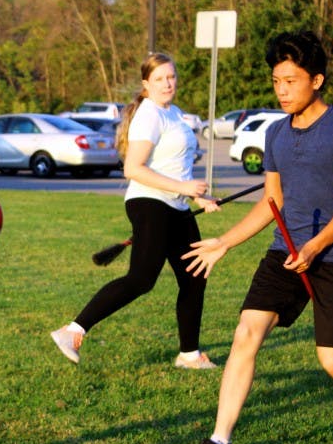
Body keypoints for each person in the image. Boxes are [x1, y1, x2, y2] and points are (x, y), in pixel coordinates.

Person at [174, 30, 333, 444]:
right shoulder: (276, 133)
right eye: (276, 80)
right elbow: (270, 202)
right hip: (284, 253)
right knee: (246, 334)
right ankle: (220, 442)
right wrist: (224, 242)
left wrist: (315, 246)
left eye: (290, 80)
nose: (281, 89)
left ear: (317, 80)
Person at [50, 52, 220, 368]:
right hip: (150, 203)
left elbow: (176, 167)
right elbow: (133, 168)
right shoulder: (150, 114)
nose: (168, 83)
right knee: (142, 279)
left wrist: (198, 198)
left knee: (194, 277)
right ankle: (72, 330)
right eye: (159, 79)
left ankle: (189, 355)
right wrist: (185, 189)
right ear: (146, 84)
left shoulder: (174, 113)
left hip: (174, 205)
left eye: (171, 77)